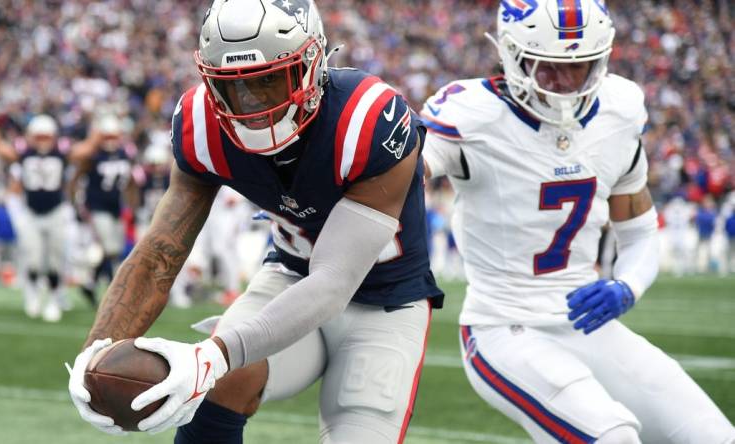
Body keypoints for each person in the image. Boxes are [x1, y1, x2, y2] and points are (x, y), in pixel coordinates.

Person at [67, 1, 443, 443]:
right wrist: (96, 353)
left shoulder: (369, 119)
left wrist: (213, 356)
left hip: (385, 301)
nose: (251, 105)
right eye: (233, 87)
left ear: (312, 63)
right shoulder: (201, 124)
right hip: (288, 275)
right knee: (215, 385)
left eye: (268, 81)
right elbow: (160, 253)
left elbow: (334, 281)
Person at [420, 1, 735, 443]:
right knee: (612, 437)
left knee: (713, 435)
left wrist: (628, 285)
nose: (565, 82)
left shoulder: (619, 109)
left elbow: (640, 230)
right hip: (502, 328)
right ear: (514, 54)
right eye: (548, 66)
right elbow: (402, 176)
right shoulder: (471, 113)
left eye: (579, 66)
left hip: (584, 322)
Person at [0, 114, 70, 321]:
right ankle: (32, 292)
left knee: (55, 261)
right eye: (38, 137)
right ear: (32, 136)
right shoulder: (24, 154)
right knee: (32, 258)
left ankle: (52, 299)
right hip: (31, 212)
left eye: (46, 137)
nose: (42, 141)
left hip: (56, 211)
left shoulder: (62, 154)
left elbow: (88, 150)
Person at [69, 113, 138, 307]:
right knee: (111, 248)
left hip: (115, 207)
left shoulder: (125, 154)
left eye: (113, 136)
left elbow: (131, 182)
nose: (110, 141)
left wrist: (131, 207)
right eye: (107, 136)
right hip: (96, 206)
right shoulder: (93, 156)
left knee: (113, 250)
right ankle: (113, 288)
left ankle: (90, 284)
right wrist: (75, 204)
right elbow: (75, 179)